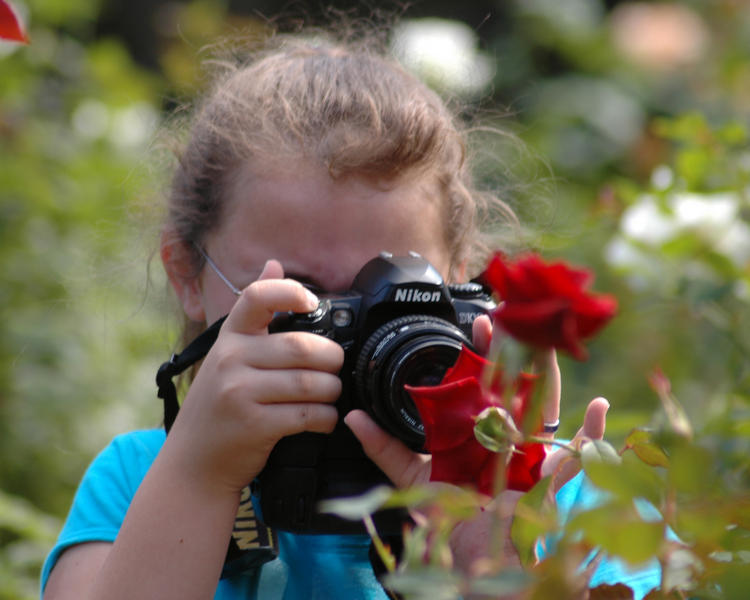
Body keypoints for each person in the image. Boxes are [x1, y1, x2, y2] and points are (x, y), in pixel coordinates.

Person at [40, 27, 658, 600]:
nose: (346, 341)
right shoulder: (142, 483)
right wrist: (201, 478)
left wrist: (495, 567)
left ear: (457, 279)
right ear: (188, 276)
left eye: (385, 297)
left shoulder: (567, 498)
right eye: (301, 298)